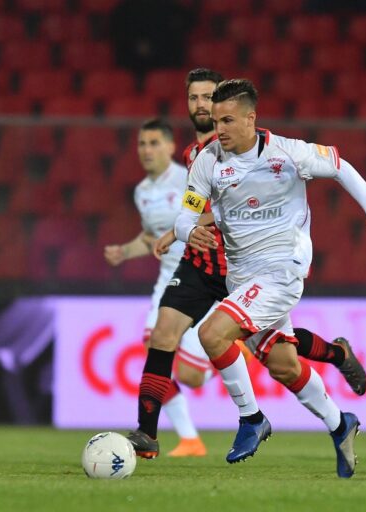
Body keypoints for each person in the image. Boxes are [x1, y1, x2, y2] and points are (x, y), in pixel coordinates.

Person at [127, 69, 366, 463]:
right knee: (171, 337)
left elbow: (237, 205)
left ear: (239, 113)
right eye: (193, 98)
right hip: (204, 265)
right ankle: (147, 433)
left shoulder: (274, 153)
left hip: (255, 266)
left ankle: (267, 410)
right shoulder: (199, 158)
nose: (201, 105)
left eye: (208, 98)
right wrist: (183, 230)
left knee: (251, 349)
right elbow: (200, 211)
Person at [172, 79, 366, 477]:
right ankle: (340, 423)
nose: (219, 130)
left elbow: (341, 168)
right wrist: (188, 231)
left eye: (228, 120)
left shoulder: (288, 152)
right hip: (242, 278)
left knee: (212, 334)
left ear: (251, 119)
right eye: (215, 121)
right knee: (283, 364)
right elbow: (186, 214)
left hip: (283, 269)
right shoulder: (207, 162)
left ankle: (251, 419)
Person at [103, 118, 208, 457]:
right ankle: (189, 440)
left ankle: (236, 354)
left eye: (153, 143)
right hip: (167, 278)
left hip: (199, 275)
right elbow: (151, 238)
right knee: (154, 350)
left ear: (170, 146)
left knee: (191, 376)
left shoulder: (189, 178)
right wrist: (124, 252)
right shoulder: (142, 192)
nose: (146, 150)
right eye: (141, 144)